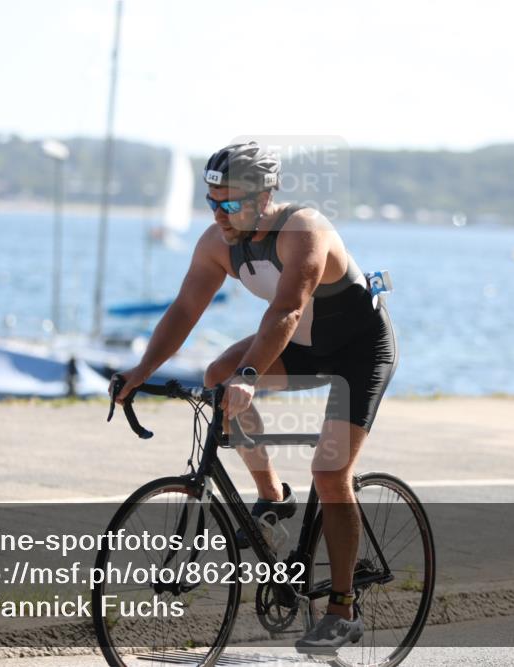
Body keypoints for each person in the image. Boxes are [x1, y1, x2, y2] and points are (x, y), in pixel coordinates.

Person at [112, 140, 397, 652]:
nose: (219, 214)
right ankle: (272, 501)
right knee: (217, 372)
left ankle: (342, 609)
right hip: (305, 345)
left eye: (231, 202)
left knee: (329, 472)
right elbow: (185, 309)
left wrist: (249, 375)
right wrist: (142, 370)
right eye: (212, 201)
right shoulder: (216, 243)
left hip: (359, 351)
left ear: (266, 196)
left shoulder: (303, 230)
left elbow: (287, 310)